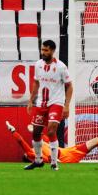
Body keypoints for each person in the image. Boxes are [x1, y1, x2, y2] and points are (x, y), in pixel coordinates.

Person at [25, 40, 73, 171]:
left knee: (51, 130)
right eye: (42, 50)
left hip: (56, 103)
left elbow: (69, 87)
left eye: (46, 50)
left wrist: (66, 105)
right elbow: (36, 83)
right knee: (36, 133)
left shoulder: (61, 67)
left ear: (52, 51)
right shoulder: (38, 65)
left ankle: (53, 163)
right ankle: (38, 160)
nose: (43, 53)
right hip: (41, 103)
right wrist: (31, 100)